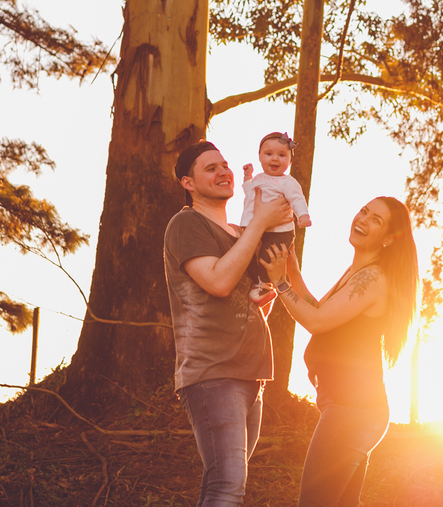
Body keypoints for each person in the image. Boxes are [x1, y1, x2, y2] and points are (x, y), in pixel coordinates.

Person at [261, 197, 419, 507]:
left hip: (353, 411)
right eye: (364, 211)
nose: (363, 219)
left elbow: (317, 322)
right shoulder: (359, 271)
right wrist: (291, 271)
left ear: (389, 239)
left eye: (377, 220)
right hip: (355, 409)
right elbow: (322, 310)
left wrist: (279, 281)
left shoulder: (373, 278)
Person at [164, 140, 294, 507]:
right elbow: (218, 283)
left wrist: (262, 300)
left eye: (225, 165)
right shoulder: (185, 223)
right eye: (210, 168)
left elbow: (241, 301)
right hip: (212, 372)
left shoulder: (238, 234)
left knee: (223, 482)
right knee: (228, 486)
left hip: (252, 374)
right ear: (188, 183)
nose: (224, 172)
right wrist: (260, 223)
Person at [240, 131, 312, 286]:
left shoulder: (287, 182)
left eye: (281, 155)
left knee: (268, 257)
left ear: (290, 161)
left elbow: (297, 199)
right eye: (269, 154)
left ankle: (266, 286)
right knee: (251, 257)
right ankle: (258, 283)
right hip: (259, 229)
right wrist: (248, 177)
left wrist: (303, 215)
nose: (274, 158)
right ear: (259, 156)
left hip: (280, 232)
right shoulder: (258, 178)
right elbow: (250, 193)